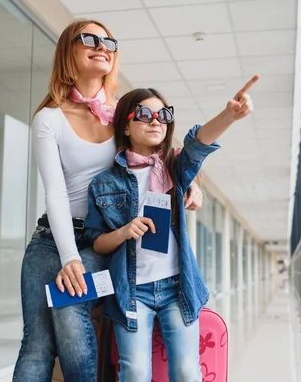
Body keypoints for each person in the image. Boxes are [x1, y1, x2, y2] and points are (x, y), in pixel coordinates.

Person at [12, 19, 204, 382]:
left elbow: (159, 159)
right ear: (69, 50)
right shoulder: (48, 119)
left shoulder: (125, 116)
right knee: (36, 342)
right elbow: (54, 191)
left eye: (109, 41)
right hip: (49, 240)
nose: (102, 46)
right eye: (90, 39)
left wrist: (193, 185)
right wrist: (67, 257)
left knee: (68, 309)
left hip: (100, 241)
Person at [84, 76, 259, 381]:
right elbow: (97, 242)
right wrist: (125, 231)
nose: (156, 121)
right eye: (144, 114)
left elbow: (198, 143)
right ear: (125, 126)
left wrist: (228, 115)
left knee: (187, 371)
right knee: (134, 372)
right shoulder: (104, 183)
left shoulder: (174, 168)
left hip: (176, 289)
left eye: (163, 115)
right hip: (131, 291)